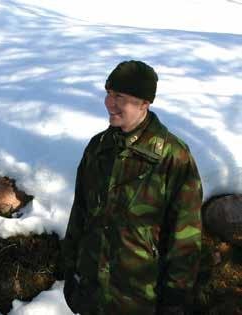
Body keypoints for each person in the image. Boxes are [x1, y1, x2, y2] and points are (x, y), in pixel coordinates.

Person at [62, 60, 203, 315]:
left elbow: (185, 238)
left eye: (120, 96)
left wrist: (175, 298)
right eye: (108, 93)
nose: (109, 103)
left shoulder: (173, 157)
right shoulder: (98, 148)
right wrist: (71, 270)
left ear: (144, 103)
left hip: (141, 299)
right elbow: (80, 215)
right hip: (92, 295)